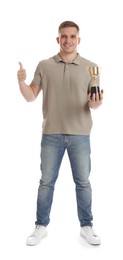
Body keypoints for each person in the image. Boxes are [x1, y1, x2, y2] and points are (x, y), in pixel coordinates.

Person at [17, 20, 103, 246]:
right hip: (51, 134)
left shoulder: (91, 67)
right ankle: (41, 226)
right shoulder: (44, 65)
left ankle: (87, 226)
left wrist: (97, 103)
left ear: (78, 40)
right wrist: (21, 81)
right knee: (46, 182)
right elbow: (30, 96)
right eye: (64, 36)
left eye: (72, 36)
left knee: (83, 182)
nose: (68, 40)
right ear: (58, 39)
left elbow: (93, 104)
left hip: (80, 135)